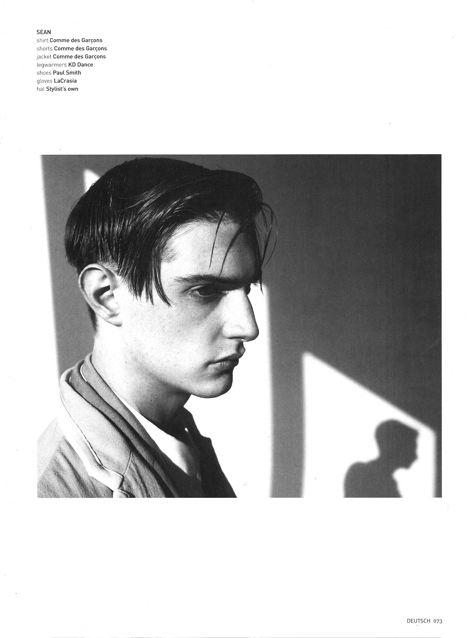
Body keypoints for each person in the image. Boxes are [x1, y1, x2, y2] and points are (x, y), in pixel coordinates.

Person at [38, 157, 275, 498]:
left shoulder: (175, 440)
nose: (248, 327)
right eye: (204, 290)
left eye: (247, 288)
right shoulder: (56, 491)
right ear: (107, 296)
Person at [344, 420, 418, 497]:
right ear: (395, 446)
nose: (415, 456)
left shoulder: (388, 483)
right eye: (412, 448)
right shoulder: (361, 473)